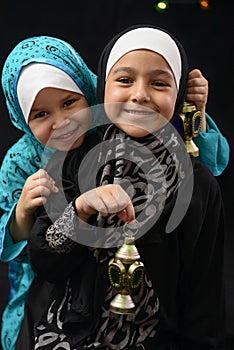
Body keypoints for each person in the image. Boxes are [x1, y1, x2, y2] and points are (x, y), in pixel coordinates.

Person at [27, 24, 226, 349]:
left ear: (178, 97)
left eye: (159, 83)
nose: (140, 94)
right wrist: (80, 210)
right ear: (103, 87)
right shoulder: (72, 162)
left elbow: (205, 300)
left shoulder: (197, 184)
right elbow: (45, 260)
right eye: (124, 80)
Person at [0, 35, 100, 350]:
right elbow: (10, 241)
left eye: (70, 102)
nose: (62, 122)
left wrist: (194, 108)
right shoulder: (21, 161)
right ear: (24, 120)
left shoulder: (110, 129)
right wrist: (22, 212)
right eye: (41, 115)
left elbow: (174, 148)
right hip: (45, 286)